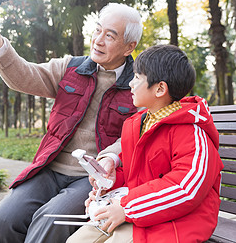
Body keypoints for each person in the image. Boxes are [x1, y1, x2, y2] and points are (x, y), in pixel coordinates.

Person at [0, 0, 143, 243]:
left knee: (50, 219)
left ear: (129, 47)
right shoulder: (70, 68)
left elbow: (137, 131)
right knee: (5, 218)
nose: (98, 40)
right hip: (50, 169)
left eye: (110, 35)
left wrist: (111, 157)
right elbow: (23, 75)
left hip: (92, 178)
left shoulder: (138, 83)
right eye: (97, 30)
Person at [67, 44, 224, 243]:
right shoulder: (139, 124)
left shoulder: (192, 132)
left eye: (137, 78)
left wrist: (125, 207)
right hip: (141, 212)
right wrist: (108, 186)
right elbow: (138, 176)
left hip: (178, 221)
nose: (131, 84)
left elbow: (186, 188)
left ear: (160, 89)